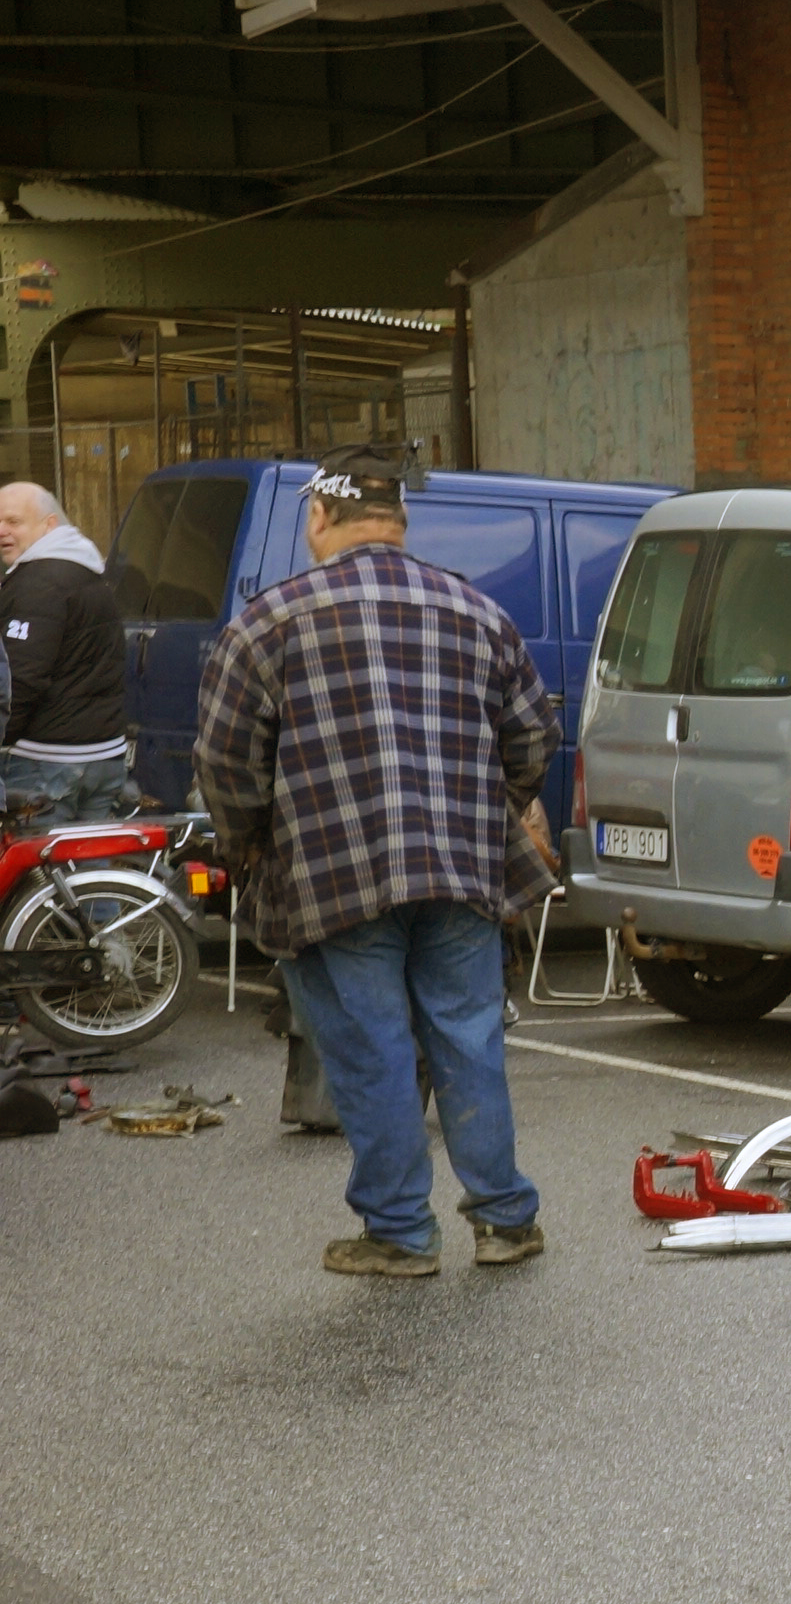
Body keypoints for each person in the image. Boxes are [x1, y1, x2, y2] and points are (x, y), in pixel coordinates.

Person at [195, 446, 555, 1277]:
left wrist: (249, 842)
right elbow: (533, 737)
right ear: (398, 520)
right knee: (470, 1040)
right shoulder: (477, 612)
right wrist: (488, 807)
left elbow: (224, 760)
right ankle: (505, 1221)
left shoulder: (267, 623)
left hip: (331, 875)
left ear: (320, 517)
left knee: (371, 1053)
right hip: (461, 870)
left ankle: (400, 1233)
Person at [0, 481, 135, 826]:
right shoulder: (87, 571)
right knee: (89, 860)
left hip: (46, 764)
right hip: (105, 758)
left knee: (27, 861)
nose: (2, 531)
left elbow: (20, 680)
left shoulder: (38, 582)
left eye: (14, 522)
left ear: (50, 524)